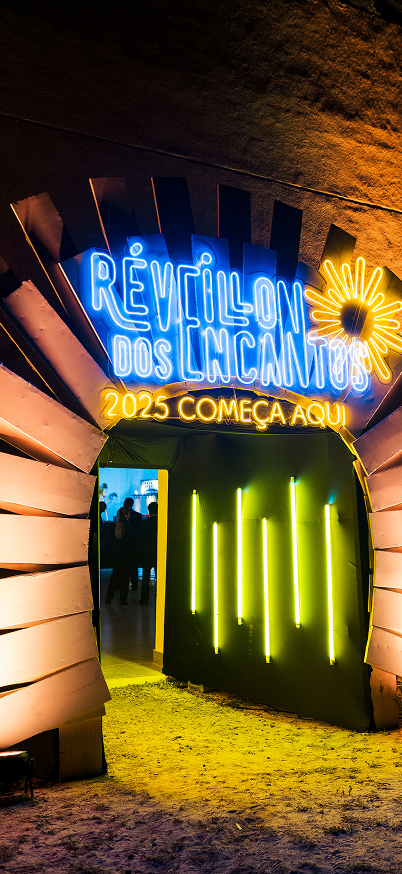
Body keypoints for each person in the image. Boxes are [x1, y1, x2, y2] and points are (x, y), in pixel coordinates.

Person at [105, 506, 137, 605]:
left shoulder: (113, 527)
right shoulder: (131, 527)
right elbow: (135, 542)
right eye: (129, 513)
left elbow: (108, 542)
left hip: (116, 555)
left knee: (115, 576)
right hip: (128, 555)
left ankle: (108, 597)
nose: (130, 515)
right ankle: (123, 599)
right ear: (126, 515)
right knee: (125, 577)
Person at [139, 502, 158, 606]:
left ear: (149, 511)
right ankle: (158, 598)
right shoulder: (160, 522)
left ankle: (144, 599)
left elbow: (141, 538)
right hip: (157, 552)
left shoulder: (144, 523)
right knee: (158, 577)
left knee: (145, 577)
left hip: (146, 553)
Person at [123, 497, 142, 591]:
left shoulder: (121, 515)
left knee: (123, 566)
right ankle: (134, 584)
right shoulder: (138, 516)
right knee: (134, 566)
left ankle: (122, 585)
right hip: (134, 545)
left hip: (124, 545)